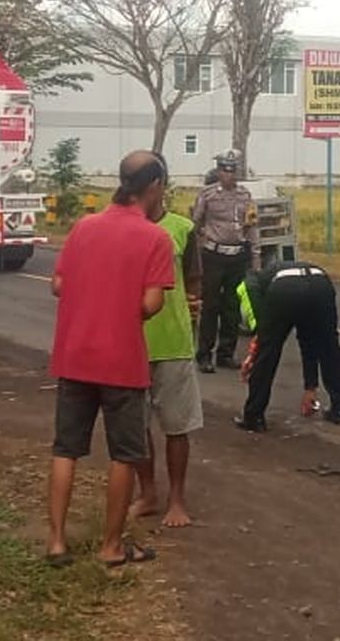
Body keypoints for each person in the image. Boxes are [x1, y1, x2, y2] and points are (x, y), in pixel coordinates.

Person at [46, 150, 175, 568]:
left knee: (66, 449)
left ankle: (56, 543)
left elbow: (58, 284)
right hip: (121, 361)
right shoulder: (156, 238)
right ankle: (111, 546)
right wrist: (122, 307)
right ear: (153, 187)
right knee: (123, 453)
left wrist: (92, 299)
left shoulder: (84, 227)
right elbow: (152, 303)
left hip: (74, 356)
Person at [130, 153, 204, 528]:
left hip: (173, 342)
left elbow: (193, 280)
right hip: (129, 342)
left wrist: (194, 306)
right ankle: (147, 493)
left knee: (177, 426)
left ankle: (177, 499)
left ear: (160, 184)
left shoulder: (182, 228)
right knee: (136, 426)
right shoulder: (121, 228)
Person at [232, 260, 340, 432]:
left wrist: (253, 356)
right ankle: (339, 409)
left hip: (285, 291)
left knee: (268, 352)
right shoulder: (275, 271)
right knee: (328, 346)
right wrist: (310, 388)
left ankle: (254, 416)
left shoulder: (248, 285)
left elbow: (261, 331)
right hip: (321, 283)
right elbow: (307, 340)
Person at [192, 149, 259, 374]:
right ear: (219, 172)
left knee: (232, 307)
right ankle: (204, 355)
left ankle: (226, 354)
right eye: (225, 170)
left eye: (233, 170)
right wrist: (203, 242)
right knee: (211, 306)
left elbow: (251, 227)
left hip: (237, 256)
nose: (230, 174)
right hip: (214, 255)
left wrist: (255, 259)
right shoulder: (208, 194)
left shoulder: (245, 195)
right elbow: (196, 223)